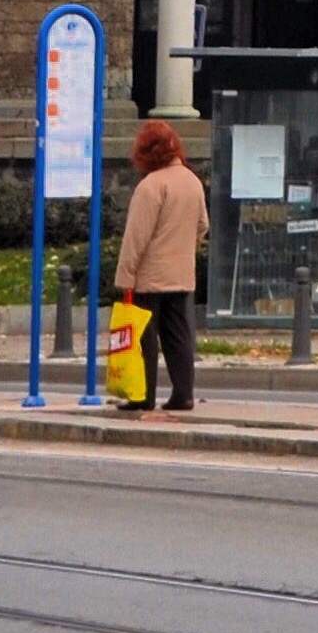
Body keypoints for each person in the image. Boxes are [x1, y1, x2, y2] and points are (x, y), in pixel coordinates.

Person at [114, 117, 207, 415]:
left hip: (150, 276)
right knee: (179, 336)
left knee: (145, 336)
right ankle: (183, 394)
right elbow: (203, 225)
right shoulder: (192, 181)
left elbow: (136, 238)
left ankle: (143, 396)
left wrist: (125, 277)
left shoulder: (151, 186)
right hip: (182, 275)